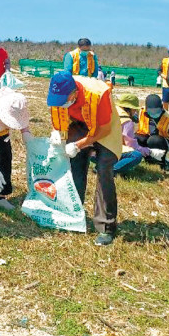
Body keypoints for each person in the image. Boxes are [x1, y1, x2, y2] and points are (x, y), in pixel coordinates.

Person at [46, 70, 122, 246]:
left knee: (104, 170)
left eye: (64, 100)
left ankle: (106, 227)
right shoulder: (59, 94)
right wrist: (57, 133)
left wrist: (78, 145)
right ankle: (74, 213)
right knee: (75, 165)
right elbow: (59, 118)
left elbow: (103, 130)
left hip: (105, 126)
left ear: (74, 93)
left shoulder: (98, 94)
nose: (61, 104)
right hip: (80, 123)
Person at [134, 94, 169, 174]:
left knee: (153, 140)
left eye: (157, 111)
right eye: (151, 111)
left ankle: (163, 160)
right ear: (147, 109)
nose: (154, 114)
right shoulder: (142, 112)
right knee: (136, 137)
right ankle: (148, 158)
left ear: (161, 108)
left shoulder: (168, 119)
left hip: (165, 144)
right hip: (148, 137)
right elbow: (132, 117)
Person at [112, 94, 149, 175]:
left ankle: (101, 166)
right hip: (109, 152)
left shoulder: (111, 110)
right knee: (136, 155)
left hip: (94, 151)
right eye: (134, 110)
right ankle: (109, 170)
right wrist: (147, 151)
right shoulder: (126, 121)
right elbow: (131, 145)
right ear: (130, 108)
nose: (135, 112)